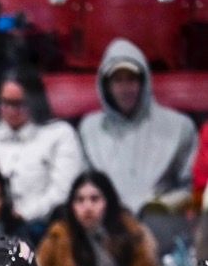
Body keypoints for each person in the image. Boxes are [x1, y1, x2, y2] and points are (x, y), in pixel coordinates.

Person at [0, 67, 84, 231]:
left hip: (40, 227)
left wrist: (22, 215)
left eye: (19, 103)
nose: (11, 110)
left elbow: (63, 192)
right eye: (5, 103)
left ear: (35, 101)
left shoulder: (60, 134)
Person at [78, 39, 198, 217]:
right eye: (118, 80)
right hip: (107, 222)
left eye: (131, 79)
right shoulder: (89, 129)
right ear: (106, 86)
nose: (125, 88)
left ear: (144, 82)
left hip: (162, 221)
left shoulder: (179, 126)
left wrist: (159, 205)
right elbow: (83, 188)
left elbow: (191, 187)